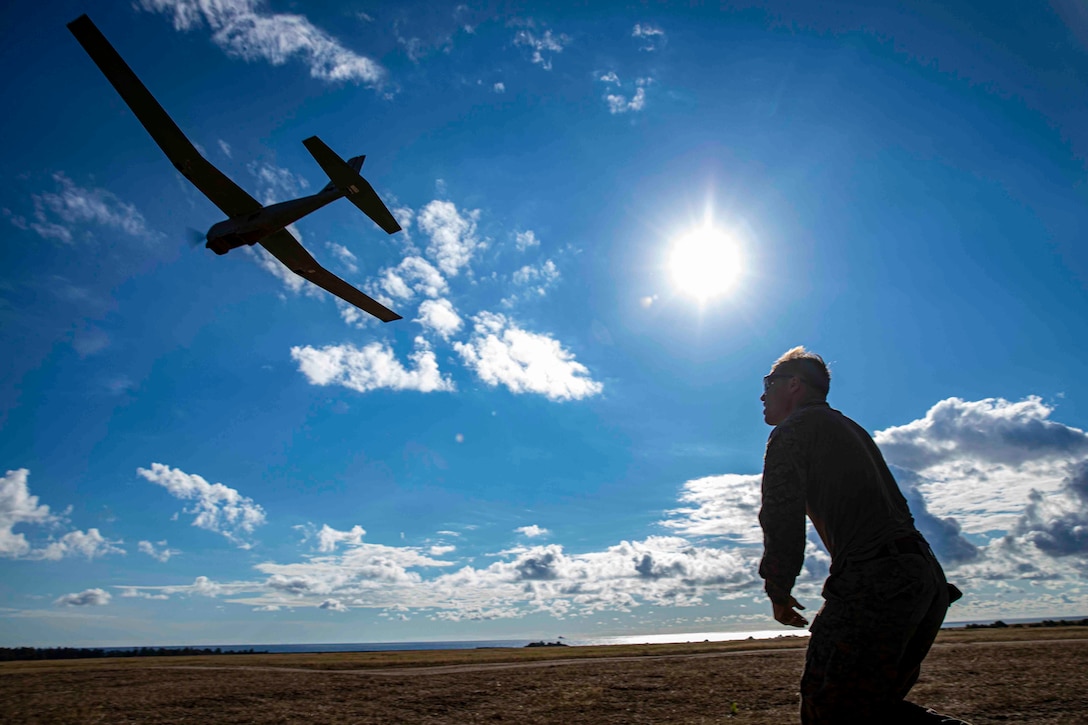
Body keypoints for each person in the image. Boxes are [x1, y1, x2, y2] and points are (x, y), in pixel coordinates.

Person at [758, 346, 968, 724]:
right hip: (923, 579)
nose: (761, 394)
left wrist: (777, 586)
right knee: (867, 709)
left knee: (827, 706)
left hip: (877, 579)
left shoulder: (794, 430)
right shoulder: (850, 429)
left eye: (768, 383)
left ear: (793, 385)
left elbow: (780, 513)